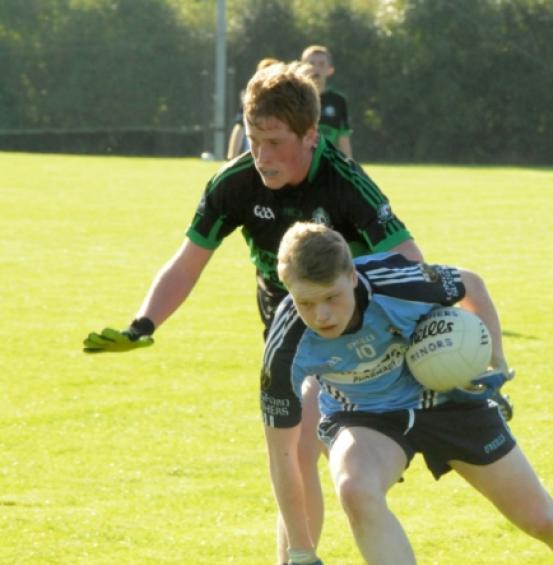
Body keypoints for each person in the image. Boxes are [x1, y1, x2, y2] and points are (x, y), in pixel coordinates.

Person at [83, 62, 424, 565]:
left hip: (363, 343)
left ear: (311, 135)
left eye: (274, 142)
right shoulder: (234, 184)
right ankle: (299, 557)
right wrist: (143, 324)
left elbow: (411, 263)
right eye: (252, 139)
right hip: (289, 341)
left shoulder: (346, 184)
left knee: (344, 472)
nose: (260, 156)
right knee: (298, 450)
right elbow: (187, 264)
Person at [261, 221, 553, 565]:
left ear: (352, 276)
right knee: (355, 490)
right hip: (365, 416)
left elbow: (471, 285)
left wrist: (495, 362)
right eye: (306, 303)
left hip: (449, 400)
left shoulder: (399, 282)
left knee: (541, 519)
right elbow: (283, 456)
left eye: (332, 297)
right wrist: (301, 553)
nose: (322, 314)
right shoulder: (285, 348)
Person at [300, 45, 353, 158]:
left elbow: (343, 139)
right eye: (311, 63)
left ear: (330, 70)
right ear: (301, 67)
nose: (316, 68)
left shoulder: (338, 100)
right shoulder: (294, 97)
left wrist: (349, 169)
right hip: (298, 164)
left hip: (327, 164)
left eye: (321, 64)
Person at [226, 57, 281, 160]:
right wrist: (232, 156)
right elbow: (239, 127)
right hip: (253, 157)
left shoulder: (286, 103)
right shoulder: (251, 103)